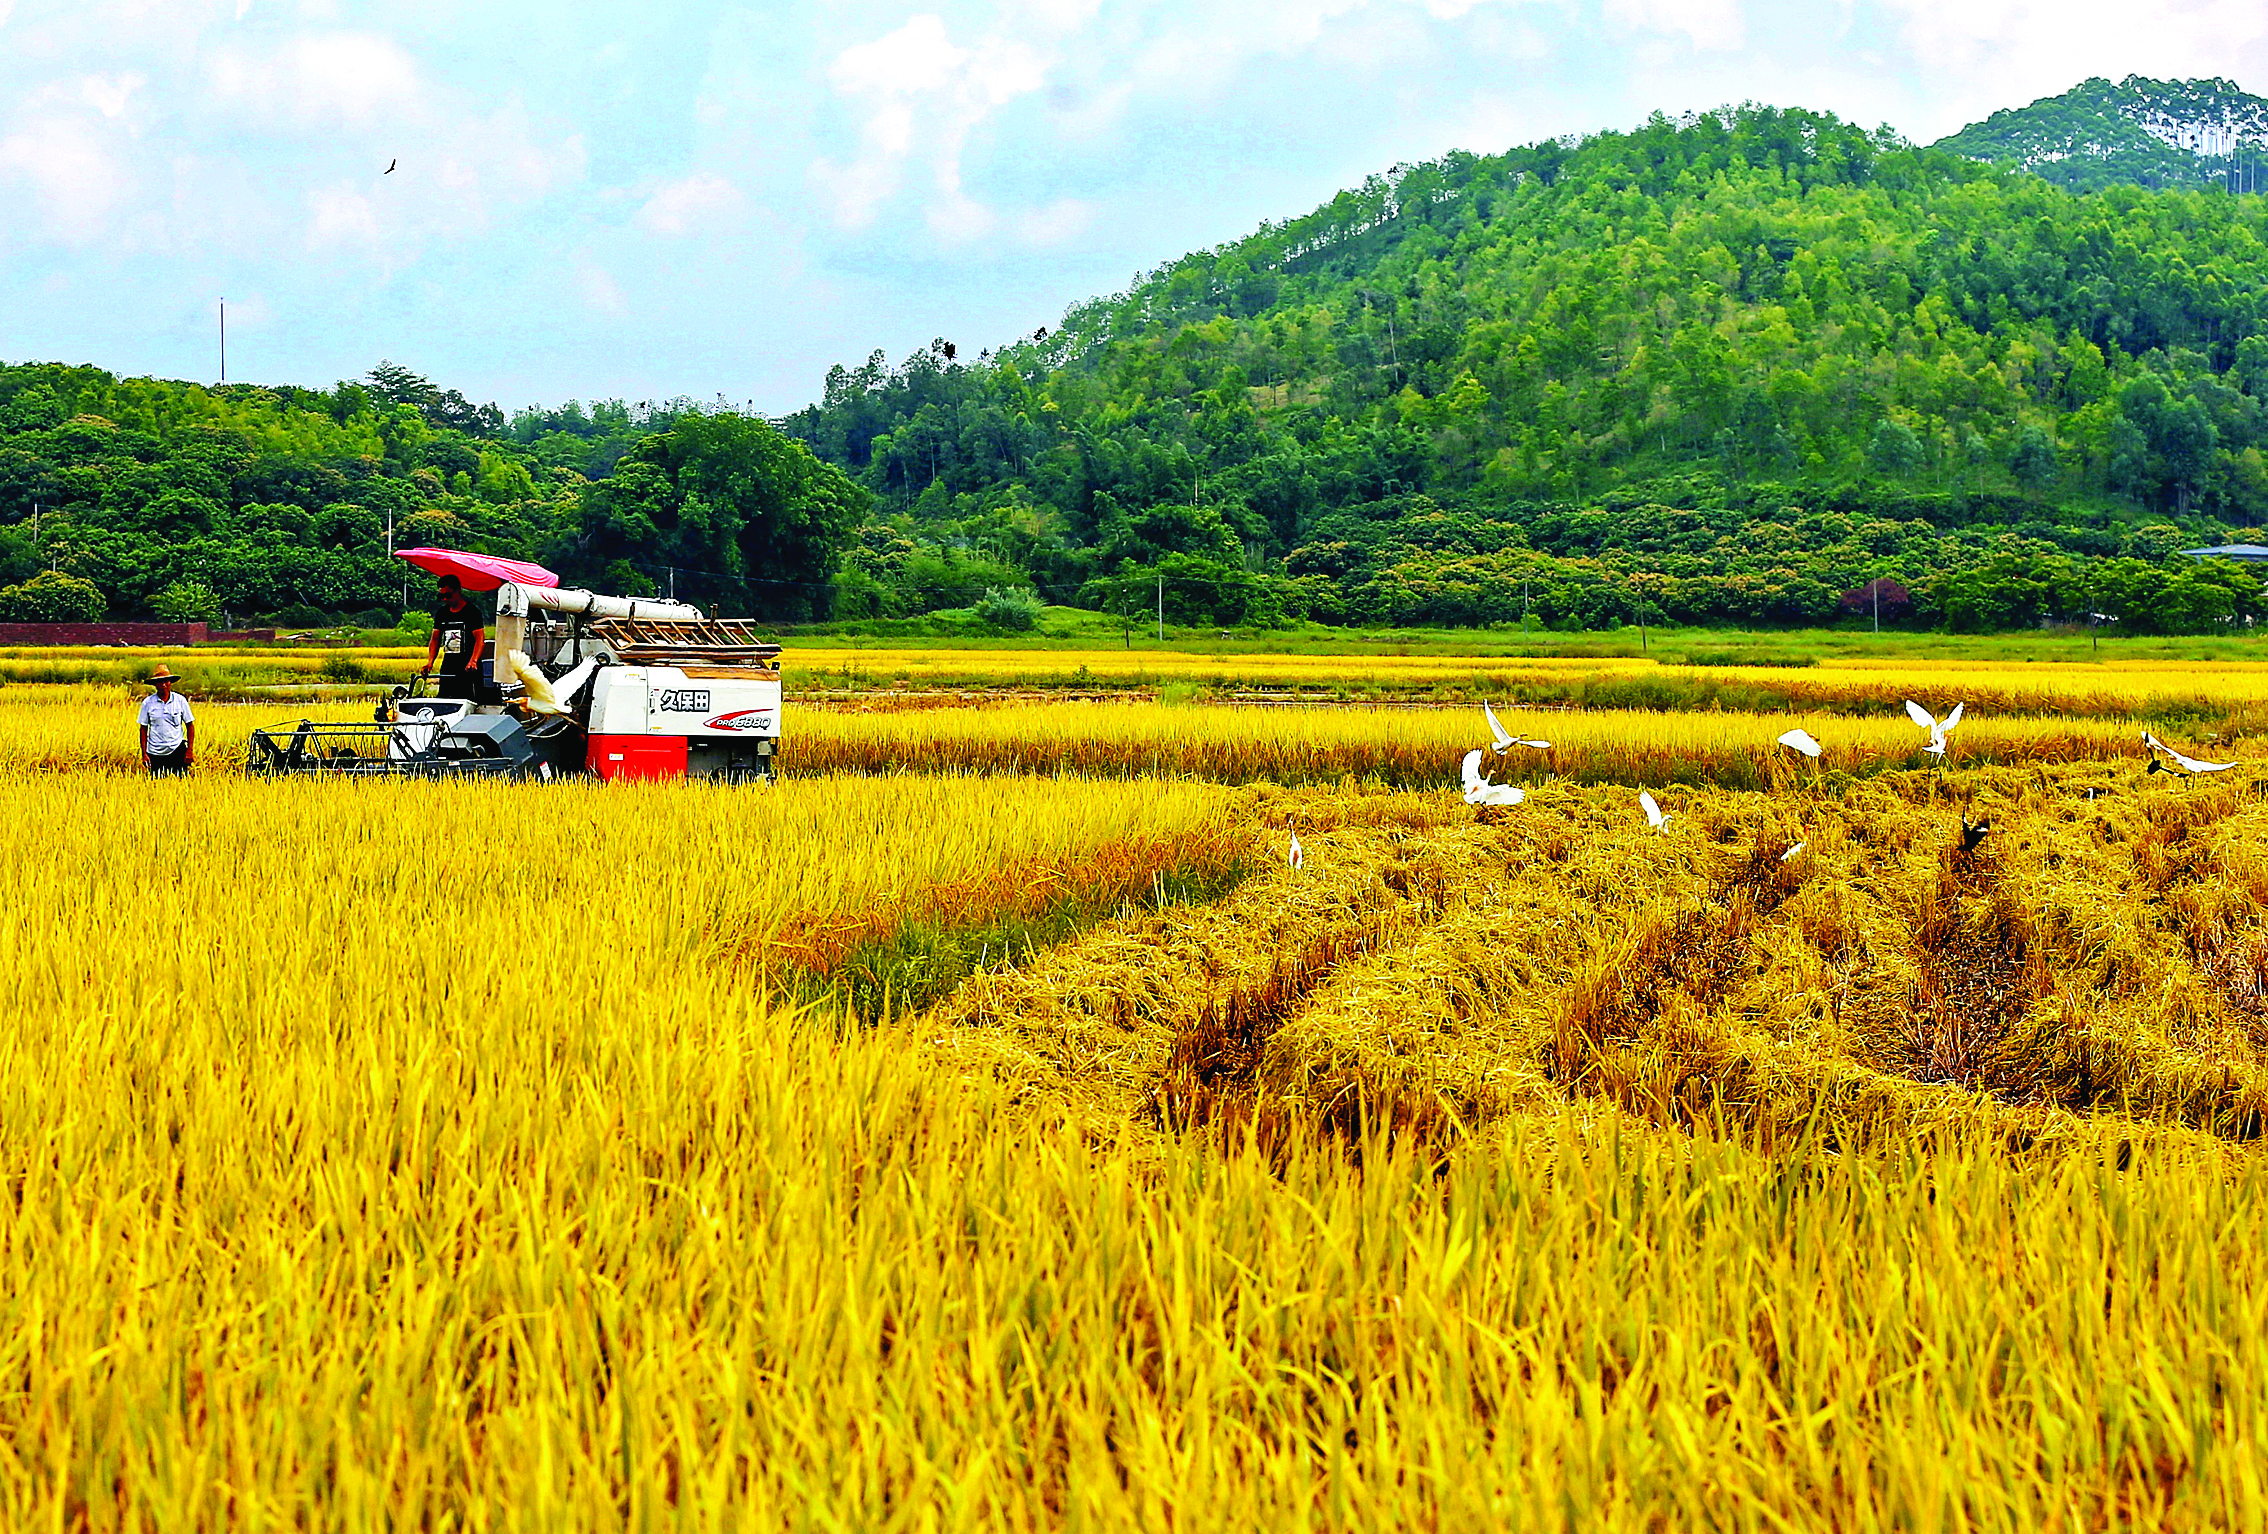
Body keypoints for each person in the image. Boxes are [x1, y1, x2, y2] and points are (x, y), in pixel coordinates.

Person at [420, 574, 487, 699]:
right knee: (444, 697)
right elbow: (435, 639)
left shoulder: (472, 612)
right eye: (442, 596)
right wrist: (430, 662)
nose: (445, 599)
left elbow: (479, 639)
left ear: (458, 591)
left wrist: (473, 661)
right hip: (449, 663)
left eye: (448, 595)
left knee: (468, 698)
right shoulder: (442, 613)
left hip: (468, 666)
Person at [139, 665, 196, 775]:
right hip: (155, 753)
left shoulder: (180, 700)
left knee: (180, 784)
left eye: (166, 681)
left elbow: (190, 725)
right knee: (156, 784)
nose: (163, 685)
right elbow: (143, 729)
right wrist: (144, 754)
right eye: (160, 682)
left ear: (171, 682)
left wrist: (190, 750)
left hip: (177, 750)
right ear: (155, 684)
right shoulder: (147, 703)